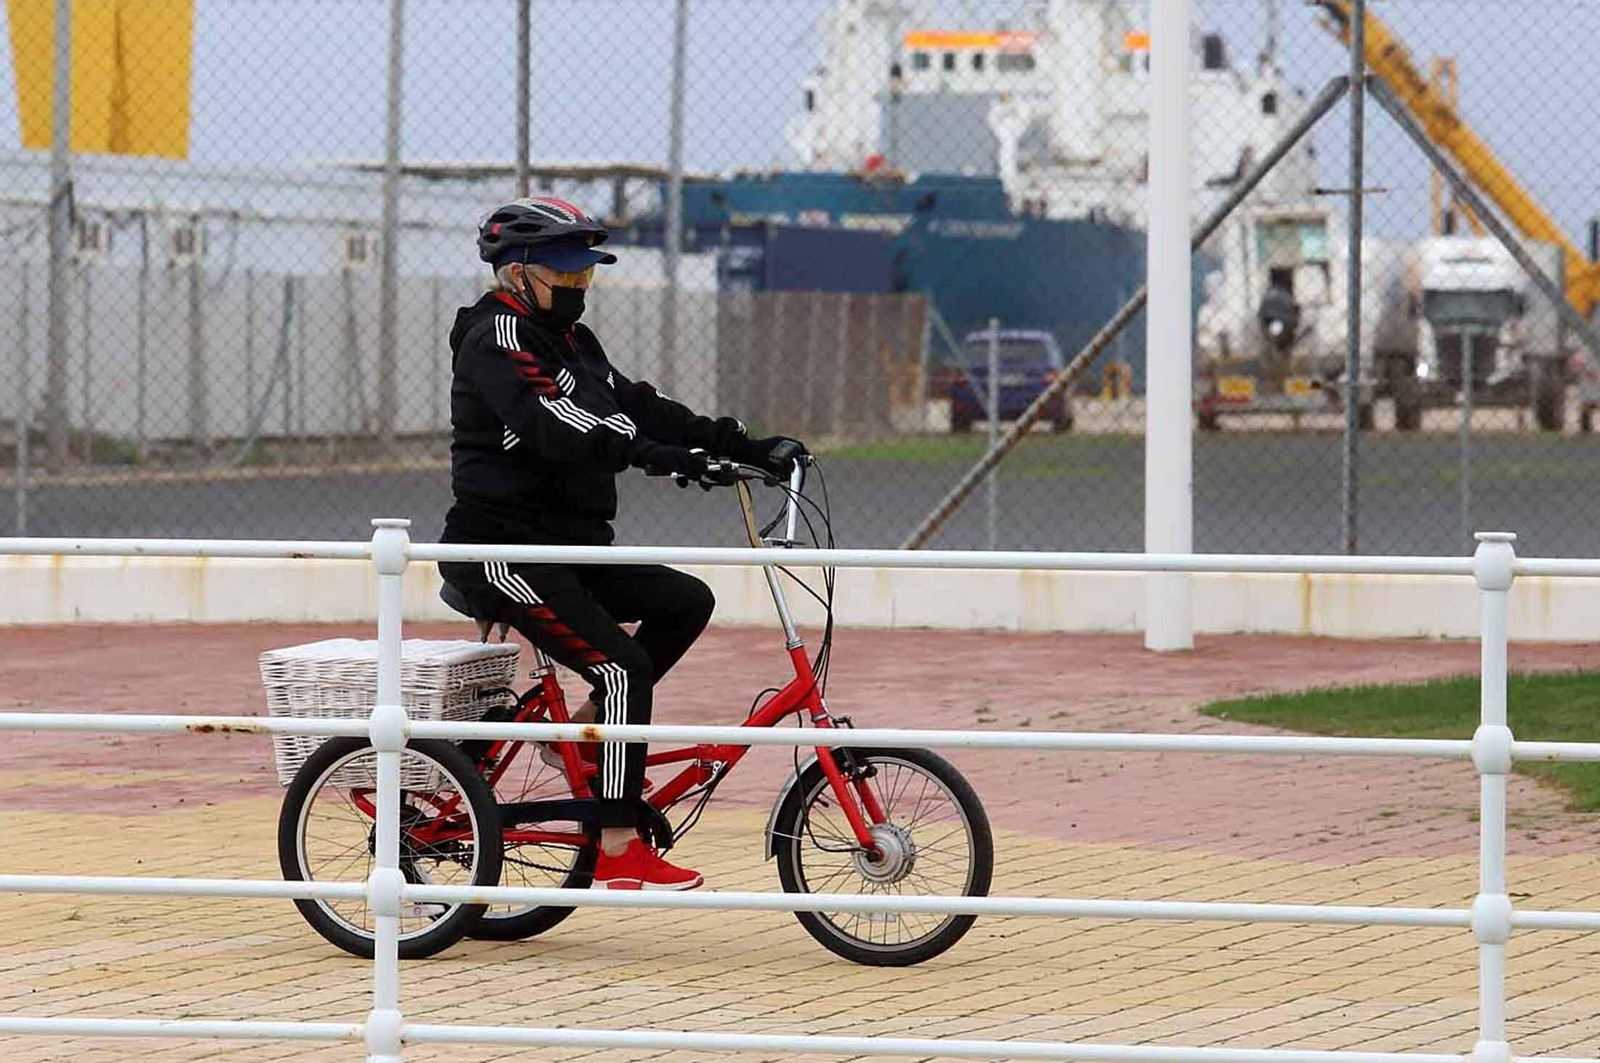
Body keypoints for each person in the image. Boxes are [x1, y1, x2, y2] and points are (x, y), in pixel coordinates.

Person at [437, 196, 805, 891]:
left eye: (585, 277)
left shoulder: (575, 343)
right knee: (620, 668)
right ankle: (614, 839)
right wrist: (666, 457)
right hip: (504, 550)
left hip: (568, 547)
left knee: (685, 600)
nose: (578, 288)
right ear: (516, 272)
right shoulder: (498, 336)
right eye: (565, 275)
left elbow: (636, 404)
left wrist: (743, 446)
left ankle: (587, 731)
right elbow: (562, 421)